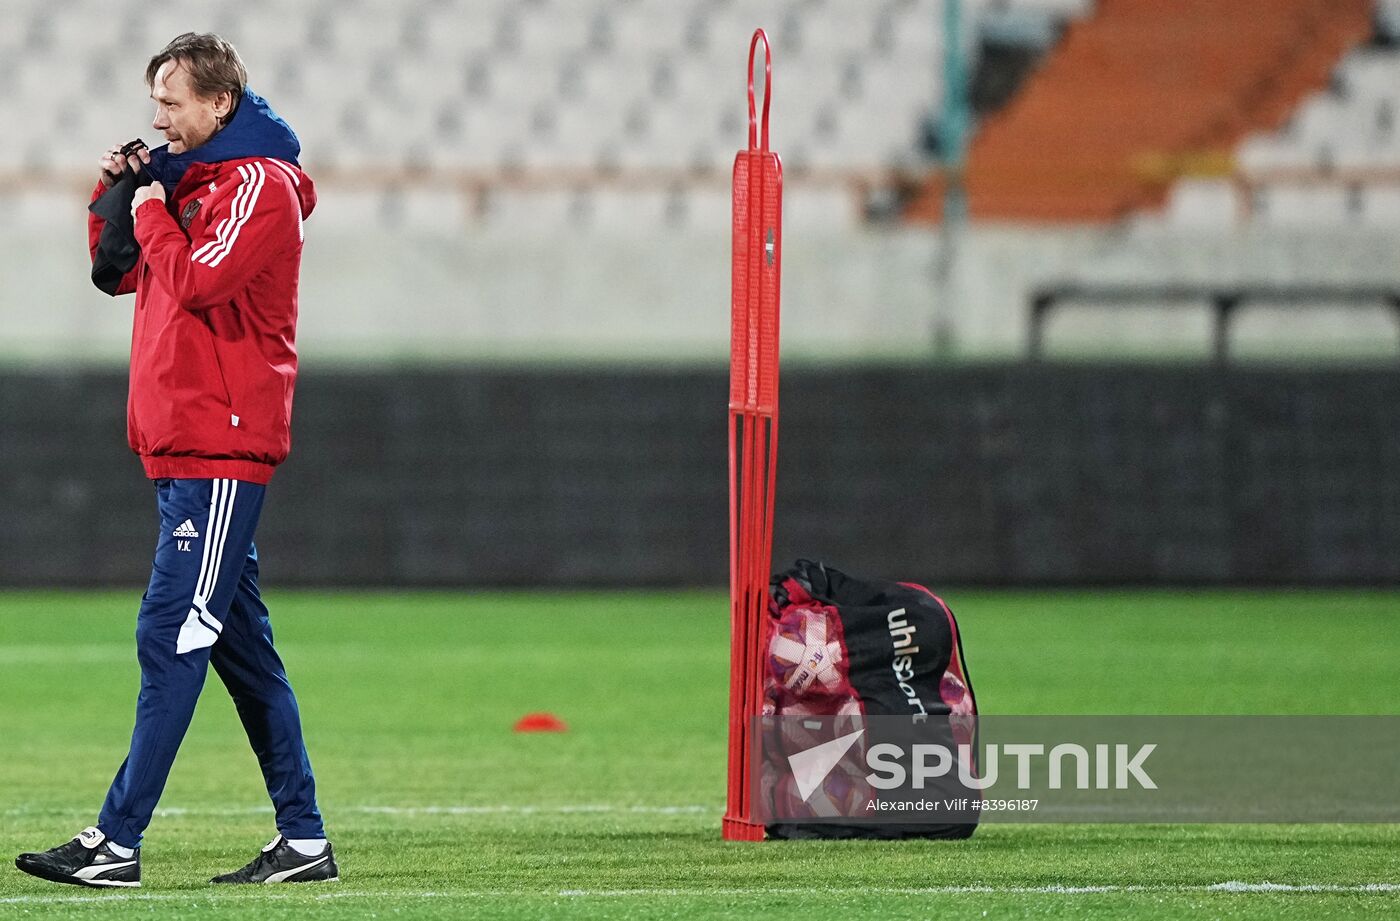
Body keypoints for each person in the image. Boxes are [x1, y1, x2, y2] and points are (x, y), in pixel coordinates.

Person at [14, 33, 336, 889]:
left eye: (172, 102)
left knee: (170, 633)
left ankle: (117, 841)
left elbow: (197, 281)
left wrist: (155, 207)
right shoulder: (194, 181)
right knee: (241, 652)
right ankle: (303, 840)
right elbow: (117, 273)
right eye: (154, 101)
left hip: (220, 447)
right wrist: (116, 193)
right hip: (183, 446)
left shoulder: (261, 185)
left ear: (220, 103)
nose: (158, 117)